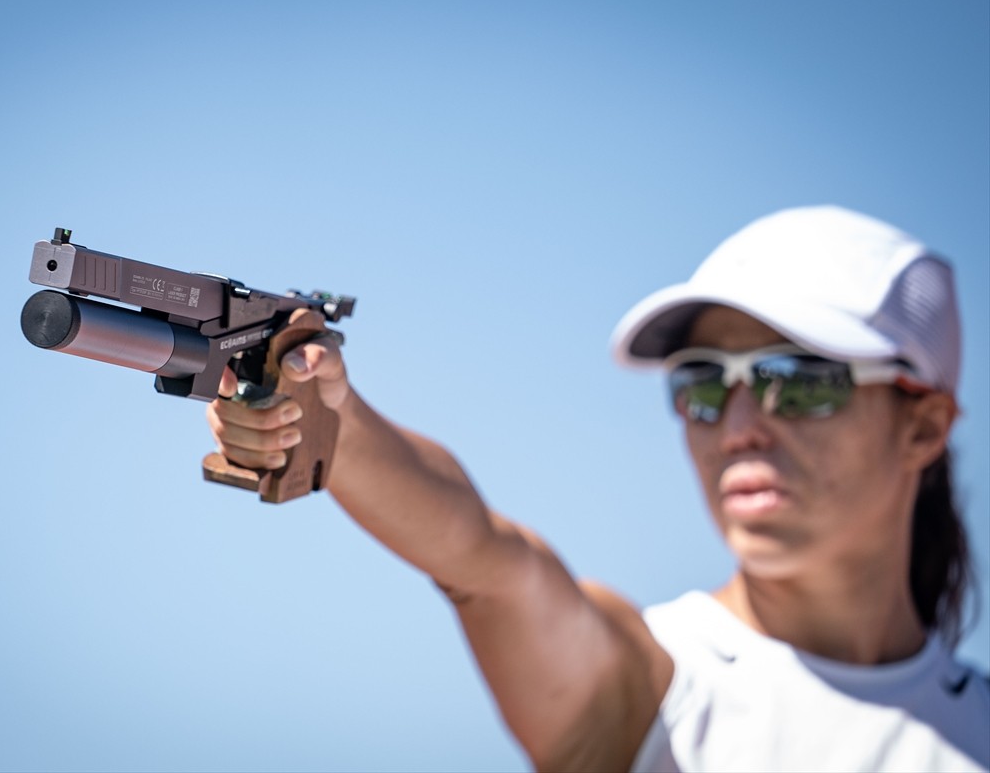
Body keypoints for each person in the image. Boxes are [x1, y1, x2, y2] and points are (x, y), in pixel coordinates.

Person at [206, 205, 989, 772]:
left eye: (802, 380)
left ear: (923, 427)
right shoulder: (654, 683)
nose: (740, 425)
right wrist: (335, 421)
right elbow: (485, 561)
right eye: (704, 385)